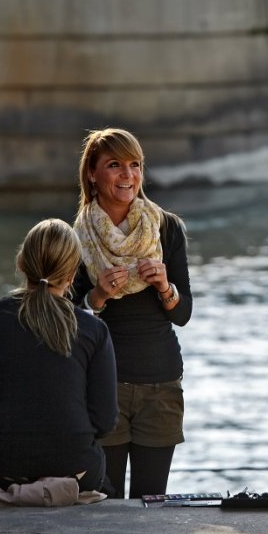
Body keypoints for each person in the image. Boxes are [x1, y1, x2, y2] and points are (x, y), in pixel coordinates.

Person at [72, 128, 192, 499]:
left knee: (151, 501)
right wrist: (97, 296)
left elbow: (183, 314)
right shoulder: (74, 236)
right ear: (92, 174)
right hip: (103, 384)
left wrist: (165, 288)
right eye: (114, 165)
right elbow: (66, 319)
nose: (128, 175)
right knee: (105, 502)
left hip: (161, 382)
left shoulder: (166, 226)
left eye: (134, 165)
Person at [0, 218, 118, 493]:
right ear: (71, 276)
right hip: (75, 472)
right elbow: (104, 423)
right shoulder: (94, 329)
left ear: (21, 263)